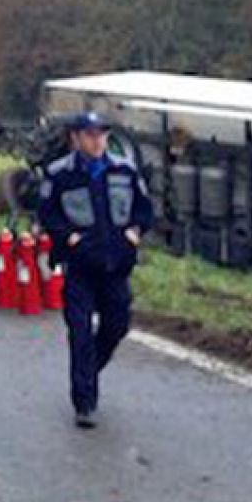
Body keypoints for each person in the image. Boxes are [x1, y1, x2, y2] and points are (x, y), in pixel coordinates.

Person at [38, 111, 154, 429]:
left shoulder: (124, 170)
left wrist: (133, 234)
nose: (97, 140)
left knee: (117, 325)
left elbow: (145, 211)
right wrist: (70, 238)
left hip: (116, 265)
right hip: (80, 267)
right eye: (90, 134)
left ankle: (88, 372)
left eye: (102, 134)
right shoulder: (60, 174)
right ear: (75, 138)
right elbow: (47, 214)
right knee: (79, 332)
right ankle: (84, 403)